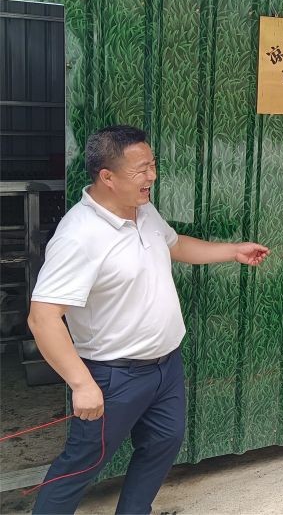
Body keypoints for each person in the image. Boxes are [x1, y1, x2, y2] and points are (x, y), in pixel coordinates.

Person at [27, 125, 270, 514]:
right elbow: (43, 318)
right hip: (113, 376)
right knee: (81, 465)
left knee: (163, 443)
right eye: (141, 170)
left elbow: (175, 245)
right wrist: (81, 384)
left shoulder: (142, 210)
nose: (152, 176)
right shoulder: (79, 236)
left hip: (165, 367)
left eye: (153, 165)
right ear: (107, 177)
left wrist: (232, 251)